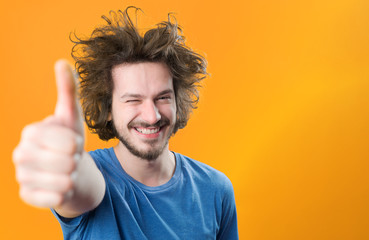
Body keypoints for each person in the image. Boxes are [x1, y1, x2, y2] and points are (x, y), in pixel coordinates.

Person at [12, 6, 238, 240]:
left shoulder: (216, 189)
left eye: (162, 98)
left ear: (177, 101)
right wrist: (65, 169)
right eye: (133, 100)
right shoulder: (92, 176)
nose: (152, 116)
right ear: (108, 107)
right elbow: (82, 189)